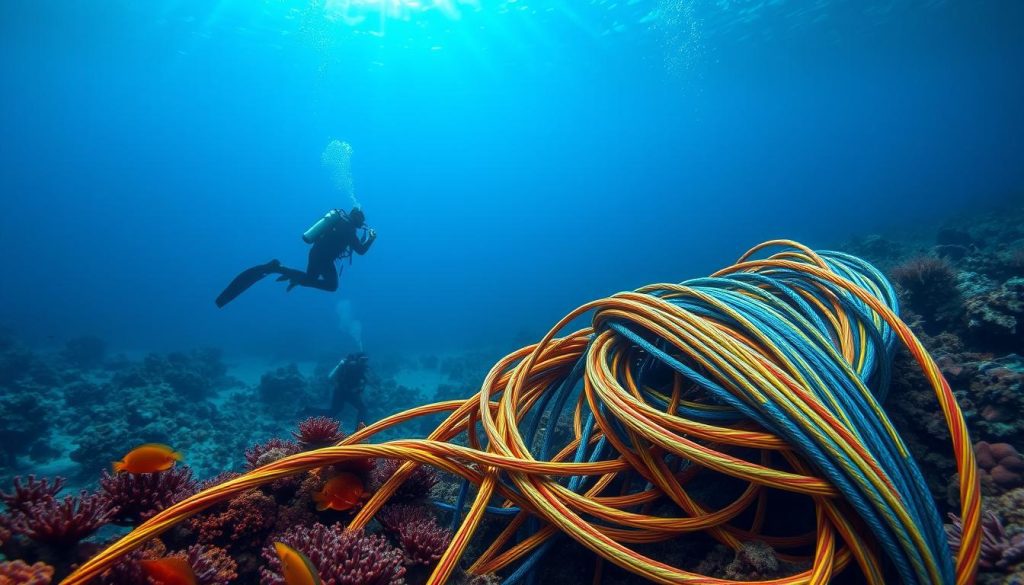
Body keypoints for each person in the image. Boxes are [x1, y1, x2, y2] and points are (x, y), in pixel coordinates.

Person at [215, 207, 377, 307]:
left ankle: (281, 269)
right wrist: (371, 238)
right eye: (361, 221)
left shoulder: (339, 222)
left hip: (315, 253)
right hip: (324, 259)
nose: (361, 224)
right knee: (332, 286)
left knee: (307, 278)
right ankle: (279, 269)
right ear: (358, 220)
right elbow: (361, 251)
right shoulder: (349, 230)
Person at [316, 352, 369, 427]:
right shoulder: (350, 366)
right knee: (334, 412)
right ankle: (310, 411)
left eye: (366, 360)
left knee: (362, 408)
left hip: (350, 393)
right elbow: (334, 378)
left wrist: (359, 389)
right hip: (340, 392)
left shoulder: (362, 369)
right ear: (357, 359)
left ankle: (360, 431)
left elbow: (364, 381)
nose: (364, 362)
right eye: (362, 360)